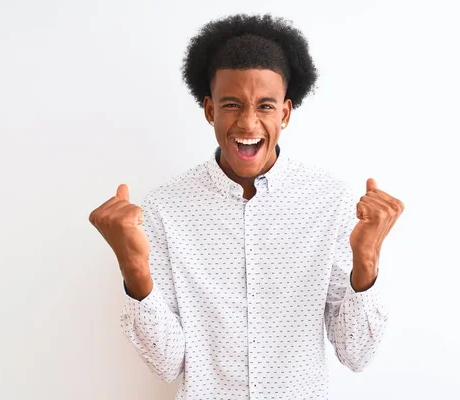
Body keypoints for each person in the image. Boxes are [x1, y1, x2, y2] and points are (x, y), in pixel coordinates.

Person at [88, 13, 404, 400]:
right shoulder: (164, 209)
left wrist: (366, 258)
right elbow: (167, 365)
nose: (249, 123)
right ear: (210, 110)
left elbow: (356, 355)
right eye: (232, 104)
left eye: (266, 106)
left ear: (285, 113)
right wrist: (133, 267)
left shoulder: (332, 202)